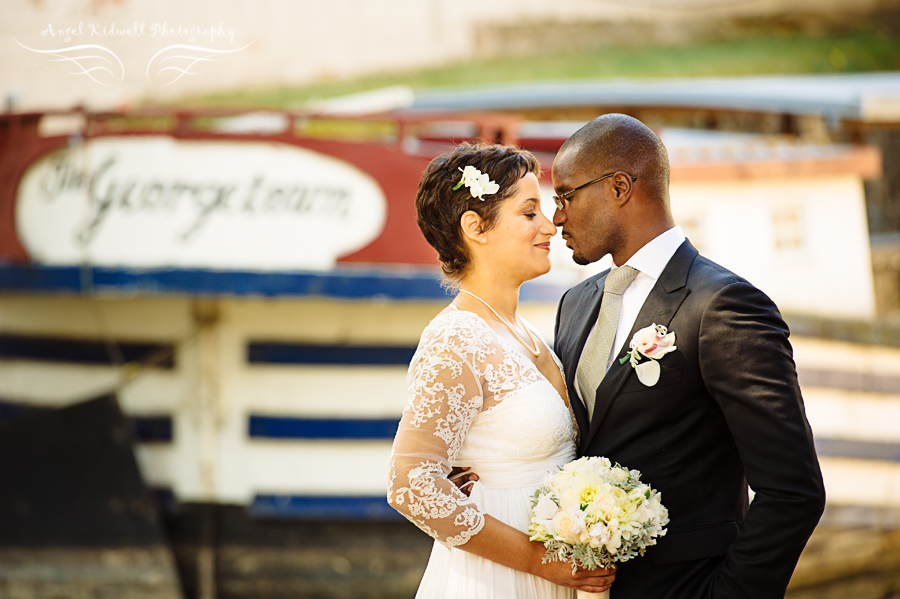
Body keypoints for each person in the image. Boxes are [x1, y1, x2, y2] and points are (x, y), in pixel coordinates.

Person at [548, 114, 827, 598]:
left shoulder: (722, 305)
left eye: (566, 195)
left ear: (619, 187)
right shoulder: (575, 305)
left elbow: (793, 491)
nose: (557, 216)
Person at [387, 142, 616, 598]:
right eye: (529, 213)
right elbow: (410, 484)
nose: (549, 226)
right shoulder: (455, 339)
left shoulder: (525, 333)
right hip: (501, 580)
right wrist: (538, 559)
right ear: (476, 228)